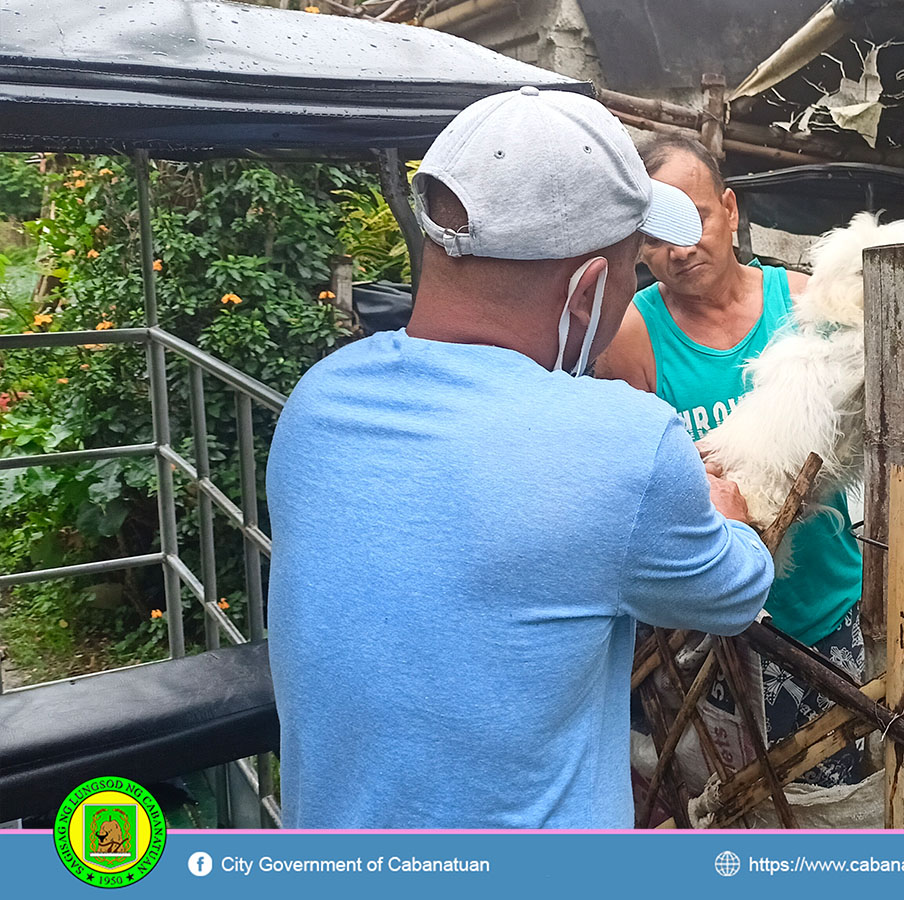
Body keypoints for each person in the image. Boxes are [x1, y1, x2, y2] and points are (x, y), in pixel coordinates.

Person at [265, 88, 774, 829]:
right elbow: (733, 596)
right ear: (588, 291)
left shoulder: (317, 403)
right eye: (633, 270)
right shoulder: (623, 442)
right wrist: (730, 519)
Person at [595, 135, 865, 787]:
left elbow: (871, 424)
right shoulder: (632, 336)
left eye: (694, 221)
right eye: (653, 236)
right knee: (732, 802)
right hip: (708, 636)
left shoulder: (803, 306)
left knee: (834, 795)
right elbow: (628, 488)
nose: (678, 249)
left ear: (731, 209)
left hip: (820, 607)